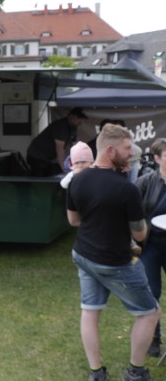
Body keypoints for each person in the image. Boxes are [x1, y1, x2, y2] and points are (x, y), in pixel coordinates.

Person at [67, 124, 161, 381]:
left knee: (90, 311)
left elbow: (74, 220)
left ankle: (96, 373)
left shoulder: (77, 180)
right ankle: (135, 372)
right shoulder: (126, 189)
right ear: (110, 150)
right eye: (127, 148)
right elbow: (140, 234)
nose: (131, 153)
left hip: (83, 255)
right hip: (114, 262)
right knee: (150, 313)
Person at [136, 137, 166, 358]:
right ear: (157, 159)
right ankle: (153, 338)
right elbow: (129, 210)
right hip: (151, 244)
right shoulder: (145, 182)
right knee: (152, 292)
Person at [26, 107, 88, 177]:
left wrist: (79, 162)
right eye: (79, 119)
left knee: (50, 174)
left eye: (82, 120)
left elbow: (74, 145)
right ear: (71, 116)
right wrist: (65, 170)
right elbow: (60, 150)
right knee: (39, 178)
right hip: (36, 155)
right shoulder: (60, 126)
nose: (81, 122)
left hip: (47, 158)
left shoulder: (73, 127)